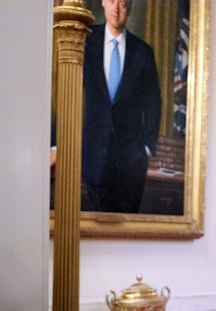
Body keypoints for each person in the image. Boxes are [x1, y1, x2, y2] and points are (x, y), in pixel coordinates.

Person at [81, 0, 161, 212]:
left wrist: (146, 148)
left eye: (123, 4)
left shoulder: (143, 52)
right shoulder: (85, 41)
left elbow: (153, 103)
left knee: (127, 228)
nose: (116, 9)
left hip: (131, 162)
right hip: (93, 156)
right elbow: (68, 90)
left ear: (129, 8)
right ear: (103, 3)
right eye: (112, 2)